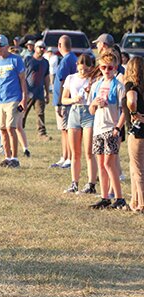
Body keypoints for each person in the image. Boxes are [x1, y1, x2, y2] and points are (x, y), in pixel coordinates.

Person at [88, 51, 126, 209]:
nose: (107, 70)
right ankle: (105, 197)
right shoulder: (96, 85)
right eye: (104, 67)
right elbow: (90, 110)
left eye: (110, 67)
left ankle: (119, 197)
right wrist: (95, 104)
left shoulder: (118, 86)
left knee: (110, 164)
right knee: (101, 164)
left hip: (111, 128)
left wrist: (118, 127)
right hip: (98, 128)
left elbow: (125, 111)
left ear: (115, 68)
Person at [0, 34, 27, 168]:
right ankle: (7, 157)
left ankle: (15, 159)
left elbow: (22, 80)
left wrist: (24, 99)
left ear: (7, 46)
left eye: (0, 45)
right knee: (2, 129)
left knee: (10, 127)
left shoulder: (16, 60)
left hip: (13, 99)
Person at [61, 54, 97, 194]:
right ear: (77, 66)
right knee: (75, 152)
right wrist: (73, 100)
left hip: (89, 112)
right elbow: (64, 99)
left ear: (90, 67)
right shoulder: (71, 78)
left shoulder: (94, 79)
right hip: (74, 112)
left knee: (89, 151)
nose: (83, 73)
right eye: (80, 69)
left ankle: (91, 184)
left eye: (86, 70)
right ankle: (74, 183)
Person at [50, 35, 77, 169]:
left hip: (64, 102)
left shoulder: (67, 60)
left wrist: (60, 102)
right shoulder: (71, 58)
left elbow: (62, 81)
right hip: (63, 101)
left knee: (66, 130)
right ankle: (65, 156)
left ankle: (69, 158)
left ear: (60, 45)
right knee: (63, 130)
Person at [124, 57, 144, 212]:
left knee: (137, 169)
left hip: (137, 131)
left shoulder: (131, 85)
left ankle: (142, 203)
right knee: (135, 167)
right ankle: (134, 201)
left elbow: (131, 99)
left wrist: (134, 112)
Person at [23, 40, 51, 141]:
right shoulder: (28, 59)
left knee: (40, 113)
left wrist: (47, 93)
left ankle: (42, 133)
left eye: (44, 47)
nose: (42, 49)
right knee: (22, 113)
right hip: (27, 92)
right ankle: (19, 130)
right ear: (35, 48)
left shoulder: (45, 62)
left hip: (39, 92)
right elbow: (22, 75)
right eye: (40, 47)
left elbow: (46, 77)